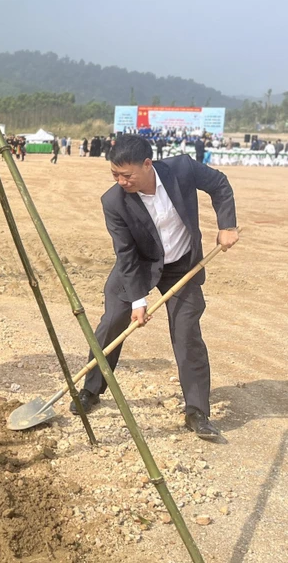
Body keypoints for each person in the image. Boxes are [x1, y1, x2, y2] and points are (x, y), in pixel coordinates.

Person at [72, 135, 238, 440]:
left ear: (148, 164)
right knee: (112, 323)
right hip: (139, 265)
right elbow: (125, 254)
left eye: (127, 175)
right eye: (115, 175)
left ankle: (197, 411)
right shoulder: (114, 201)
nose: (121, 181)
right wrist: (138, 300)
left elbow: (220, 184)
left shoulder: (182, 169)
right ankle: (90, 391)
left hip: (181, 267)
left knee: (187, 332)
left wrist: (227, 225)